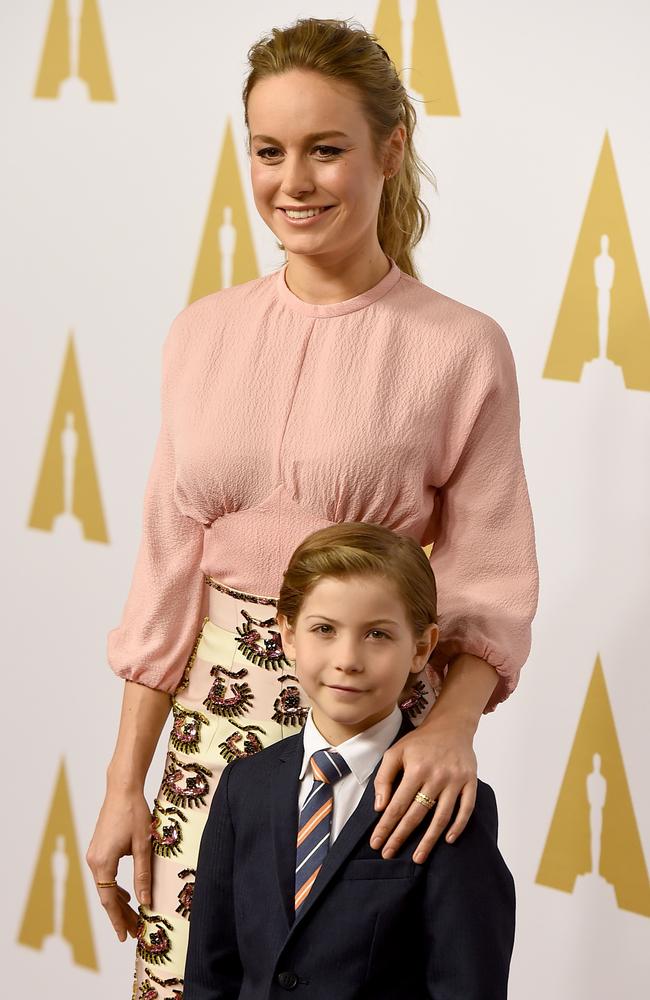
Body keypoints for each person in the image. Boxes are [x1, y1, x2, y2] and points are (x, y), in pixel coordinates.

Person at [85, 16, 538, 996]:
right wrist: (128, 780)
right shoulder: (199, 334)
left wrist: (451, 726)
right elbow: (166, 572)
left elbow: (488, 577)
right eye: (268, 150)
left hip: (374, 727)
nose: (292, 181)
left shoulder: (459, 348)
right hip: (206, 735)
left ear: (390, 149)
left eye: (324, 149)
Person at [184, 522, 516, 1000]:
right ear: (289, 635)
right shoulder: (244, 786)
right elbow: (210, 976)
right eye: (324, 629)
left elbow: (469, 986)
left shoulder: (450, 800)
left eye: (377, 634)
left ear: (421, 647)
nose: (347, 659)